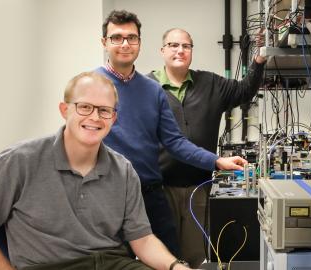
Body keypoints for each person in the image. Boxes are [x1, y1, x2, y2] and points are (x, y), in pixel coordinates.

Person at [0, 72, 195, 270]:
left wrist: (176, 267)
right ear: (65, 110)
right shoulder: (18, 161)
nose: (95, 117)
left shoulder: (124, 170)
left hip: (113, 264)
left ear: (114, 118)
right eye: (84, 107)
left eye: (104, 110)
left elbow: (143, 240)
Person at [94, 9, 248, 259]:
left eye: (131, 38)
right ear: (104, 43)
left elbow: (175, 142)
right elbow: (76, 138)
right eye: (117, 37)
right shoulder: (92, 85)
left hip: (151, 193)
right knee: (116, 260)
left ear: (140, 43)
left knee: (170, 258)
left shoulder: (152, 89)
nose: (125, 44)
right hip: (109, 194)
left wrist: (216, 161)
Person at [147, 28, 266, 267]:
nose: (180, 50)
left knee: (194, 255)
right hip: (159, 190)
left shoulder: (211, 83)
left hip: (198, 188)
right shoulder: (146, 87)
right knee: (160, 255)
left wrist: (259, 59)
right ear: (162, 51)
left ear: (191, 51)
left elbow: (245, 90)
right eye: (173, 45)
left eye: (186, 46)